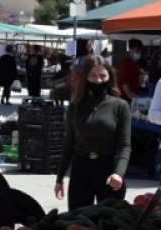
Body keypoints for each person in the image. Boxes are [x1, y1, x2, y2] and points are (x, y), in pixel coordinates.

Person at [54, 55, 131, 211]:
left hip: (109, 170)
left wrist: (119, 173)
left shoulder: (120, 106)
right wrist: (60, 179)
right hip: (81, 171)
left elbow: (125, 145)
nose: (98, 80)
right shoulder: (76, 106)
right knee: (79, 224)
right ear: (85, 78)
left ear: (109, 77)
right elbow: (69, 143)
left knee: (109, 225)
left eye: (103, 75)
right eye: (93, 76)